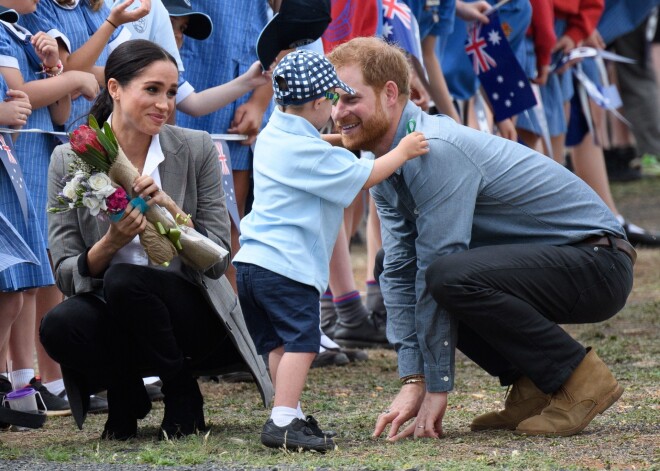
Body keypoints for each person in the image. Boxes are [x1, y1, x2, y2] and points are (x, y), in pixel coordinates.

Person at [328, 36, 634, 440]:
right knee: (397, 265)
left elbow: (437, 264)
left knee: (447, 274)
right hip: (564, 259)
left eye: (350, 99)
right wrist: (413, 378)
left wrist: (436, 386)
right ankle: (532, 384)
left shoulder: (435, 150)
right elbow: (402, 267)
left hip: (599, 263)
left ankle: (580, 378)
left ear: (389, 94)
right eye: (333, 99)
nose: (337, 112)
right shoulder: (385, 159)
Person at [40, 39, 272, 440]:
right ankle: (125, 392)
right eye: (152, 89)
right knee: (61, 323)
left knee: (127, 281)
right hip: (115, 310)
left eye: (170, 92)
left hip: (190, 313)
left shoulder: (196, 147)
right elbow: (65, 273)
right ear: (114, 88)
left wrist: (170, 212)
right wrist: (111, 242)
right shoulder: (70, 157)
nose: (164, 103)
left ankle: (182, 390)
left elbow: (219, 259)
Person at [233, 49, 429, 452]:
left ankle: (288, 411)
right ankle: (282, 422)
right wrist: (403, 150)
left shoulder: (276, 132)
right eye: (333, 102)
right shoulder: (307, 154)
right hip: (288, 268)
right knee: (304, 344)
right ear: (320, 103)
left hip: (253, 265)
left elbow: (317, 142)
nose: (337, 111)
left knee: (280, 345)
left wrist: (342, 138)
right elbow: (366, 175)